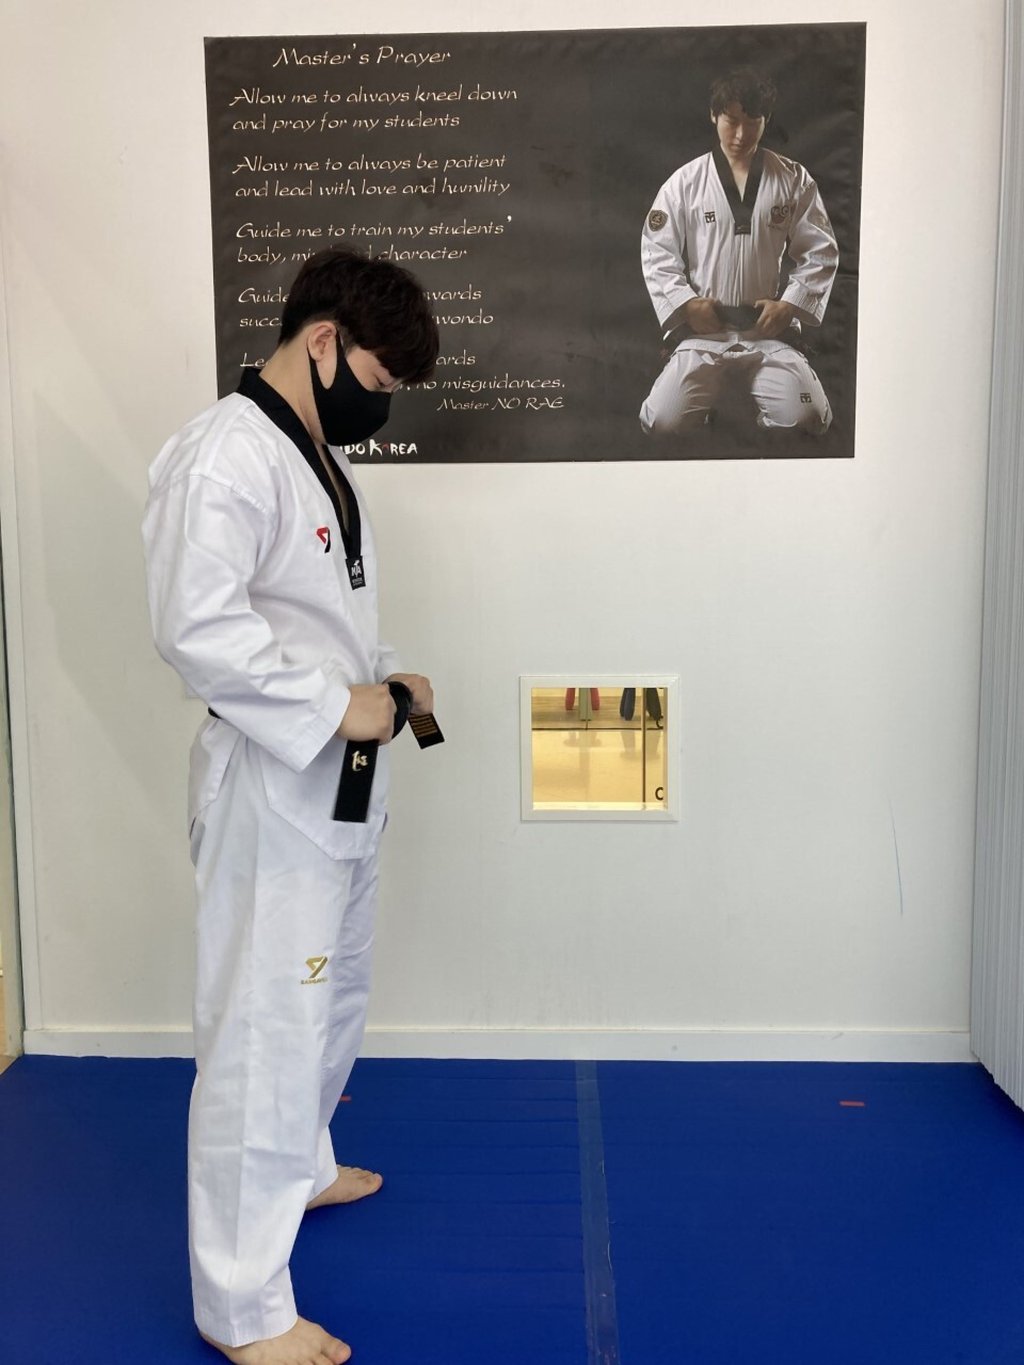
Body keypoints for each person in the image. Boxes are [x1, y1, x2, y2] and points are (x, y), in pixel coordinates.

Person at [142, 246, 439, 1365]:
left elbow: (320, 619)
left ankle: (303, 1166)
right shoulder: (224, 456)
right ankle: (243, 1307)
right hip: (274, 787)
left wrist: (390, 679)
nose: (382, 402)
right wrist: (334, 704)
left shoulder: (311, 453)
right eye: (378, 375)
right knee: (264, 1036)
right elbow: (196, 629)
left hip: (339, 786)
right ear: (322, 343)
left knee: (332, 997)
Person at [639, 66, 839, 440]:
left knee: (809, 418)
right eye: (731, 121)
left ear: (766, 121)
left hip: (768, 332)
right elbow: (657, 251)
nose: (741, 134)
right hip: (705, 331)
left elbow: (821, 250)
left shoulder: (793, 179)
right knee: (663, 423)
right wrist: (685, 303)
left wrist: (790, 305)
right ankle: (708, 406)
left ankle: (757, 409)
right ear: (713, 116)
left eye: (753, 122)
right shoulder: (685, 182)